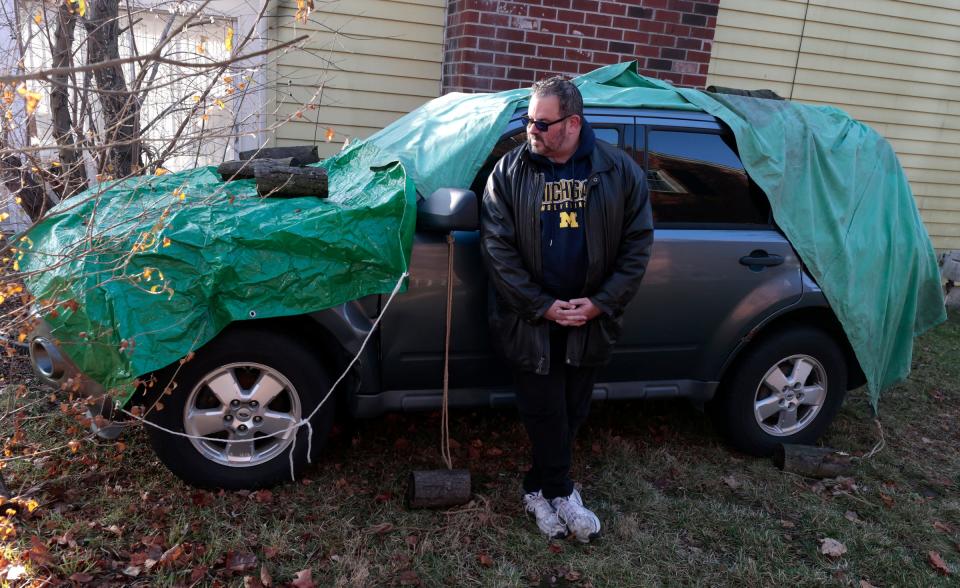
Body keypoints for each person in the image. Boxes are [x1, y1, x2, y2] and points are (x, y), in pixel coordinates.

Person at [480, 76, 653, 542]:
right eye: (528, 120)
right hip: (530, 319)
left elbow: (637, 246)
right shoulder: (509, 173)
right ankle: (560, 489)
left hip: (589, 319)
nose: (530, 129)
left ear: (573, 123)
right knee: (544, 409)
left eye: (541, 122)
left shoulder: (620, 172)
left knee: (573, 409)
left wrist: (599, 304)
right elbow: (497, 248)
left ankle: (538, 490)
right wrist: (542, 306)